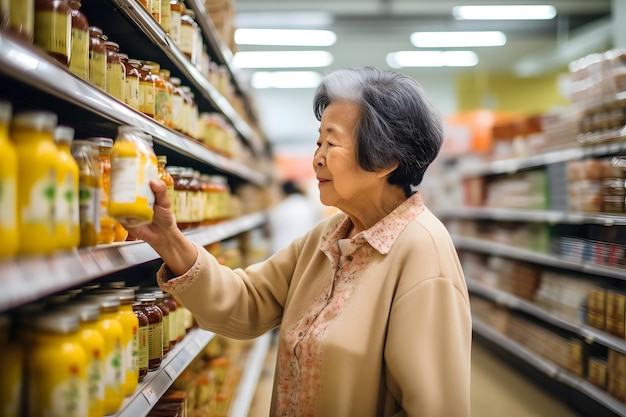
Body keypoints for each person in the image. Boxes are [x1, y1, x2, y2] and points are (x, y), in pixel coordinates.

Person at [126, 66, 471, 417]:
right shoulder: (330, 236)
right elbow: (246, 301)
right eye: (318, 142)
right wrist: (168, 239)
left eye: (332, 143)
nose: (317, 157)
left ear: (386, 160)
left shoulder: (422, 253)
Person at [268, 179, 319, 253]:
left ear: (284, 192)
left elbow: (270, 230)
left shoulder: (278, 209)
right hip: (304, 248)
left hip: (281, 250)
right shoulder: (308, 205)